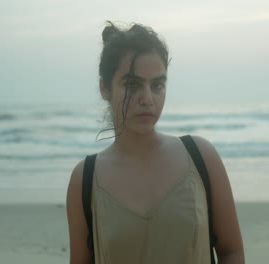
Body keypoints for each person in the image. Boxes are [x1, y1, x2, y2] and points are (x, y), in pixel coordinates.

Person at [66, 21, 244, 264]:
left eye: (157, 85)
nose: (147, 99)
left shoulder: (201, 157)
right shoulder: (85, 180)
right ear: (104, 88)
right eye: (132, 84)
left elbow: (231, 252)